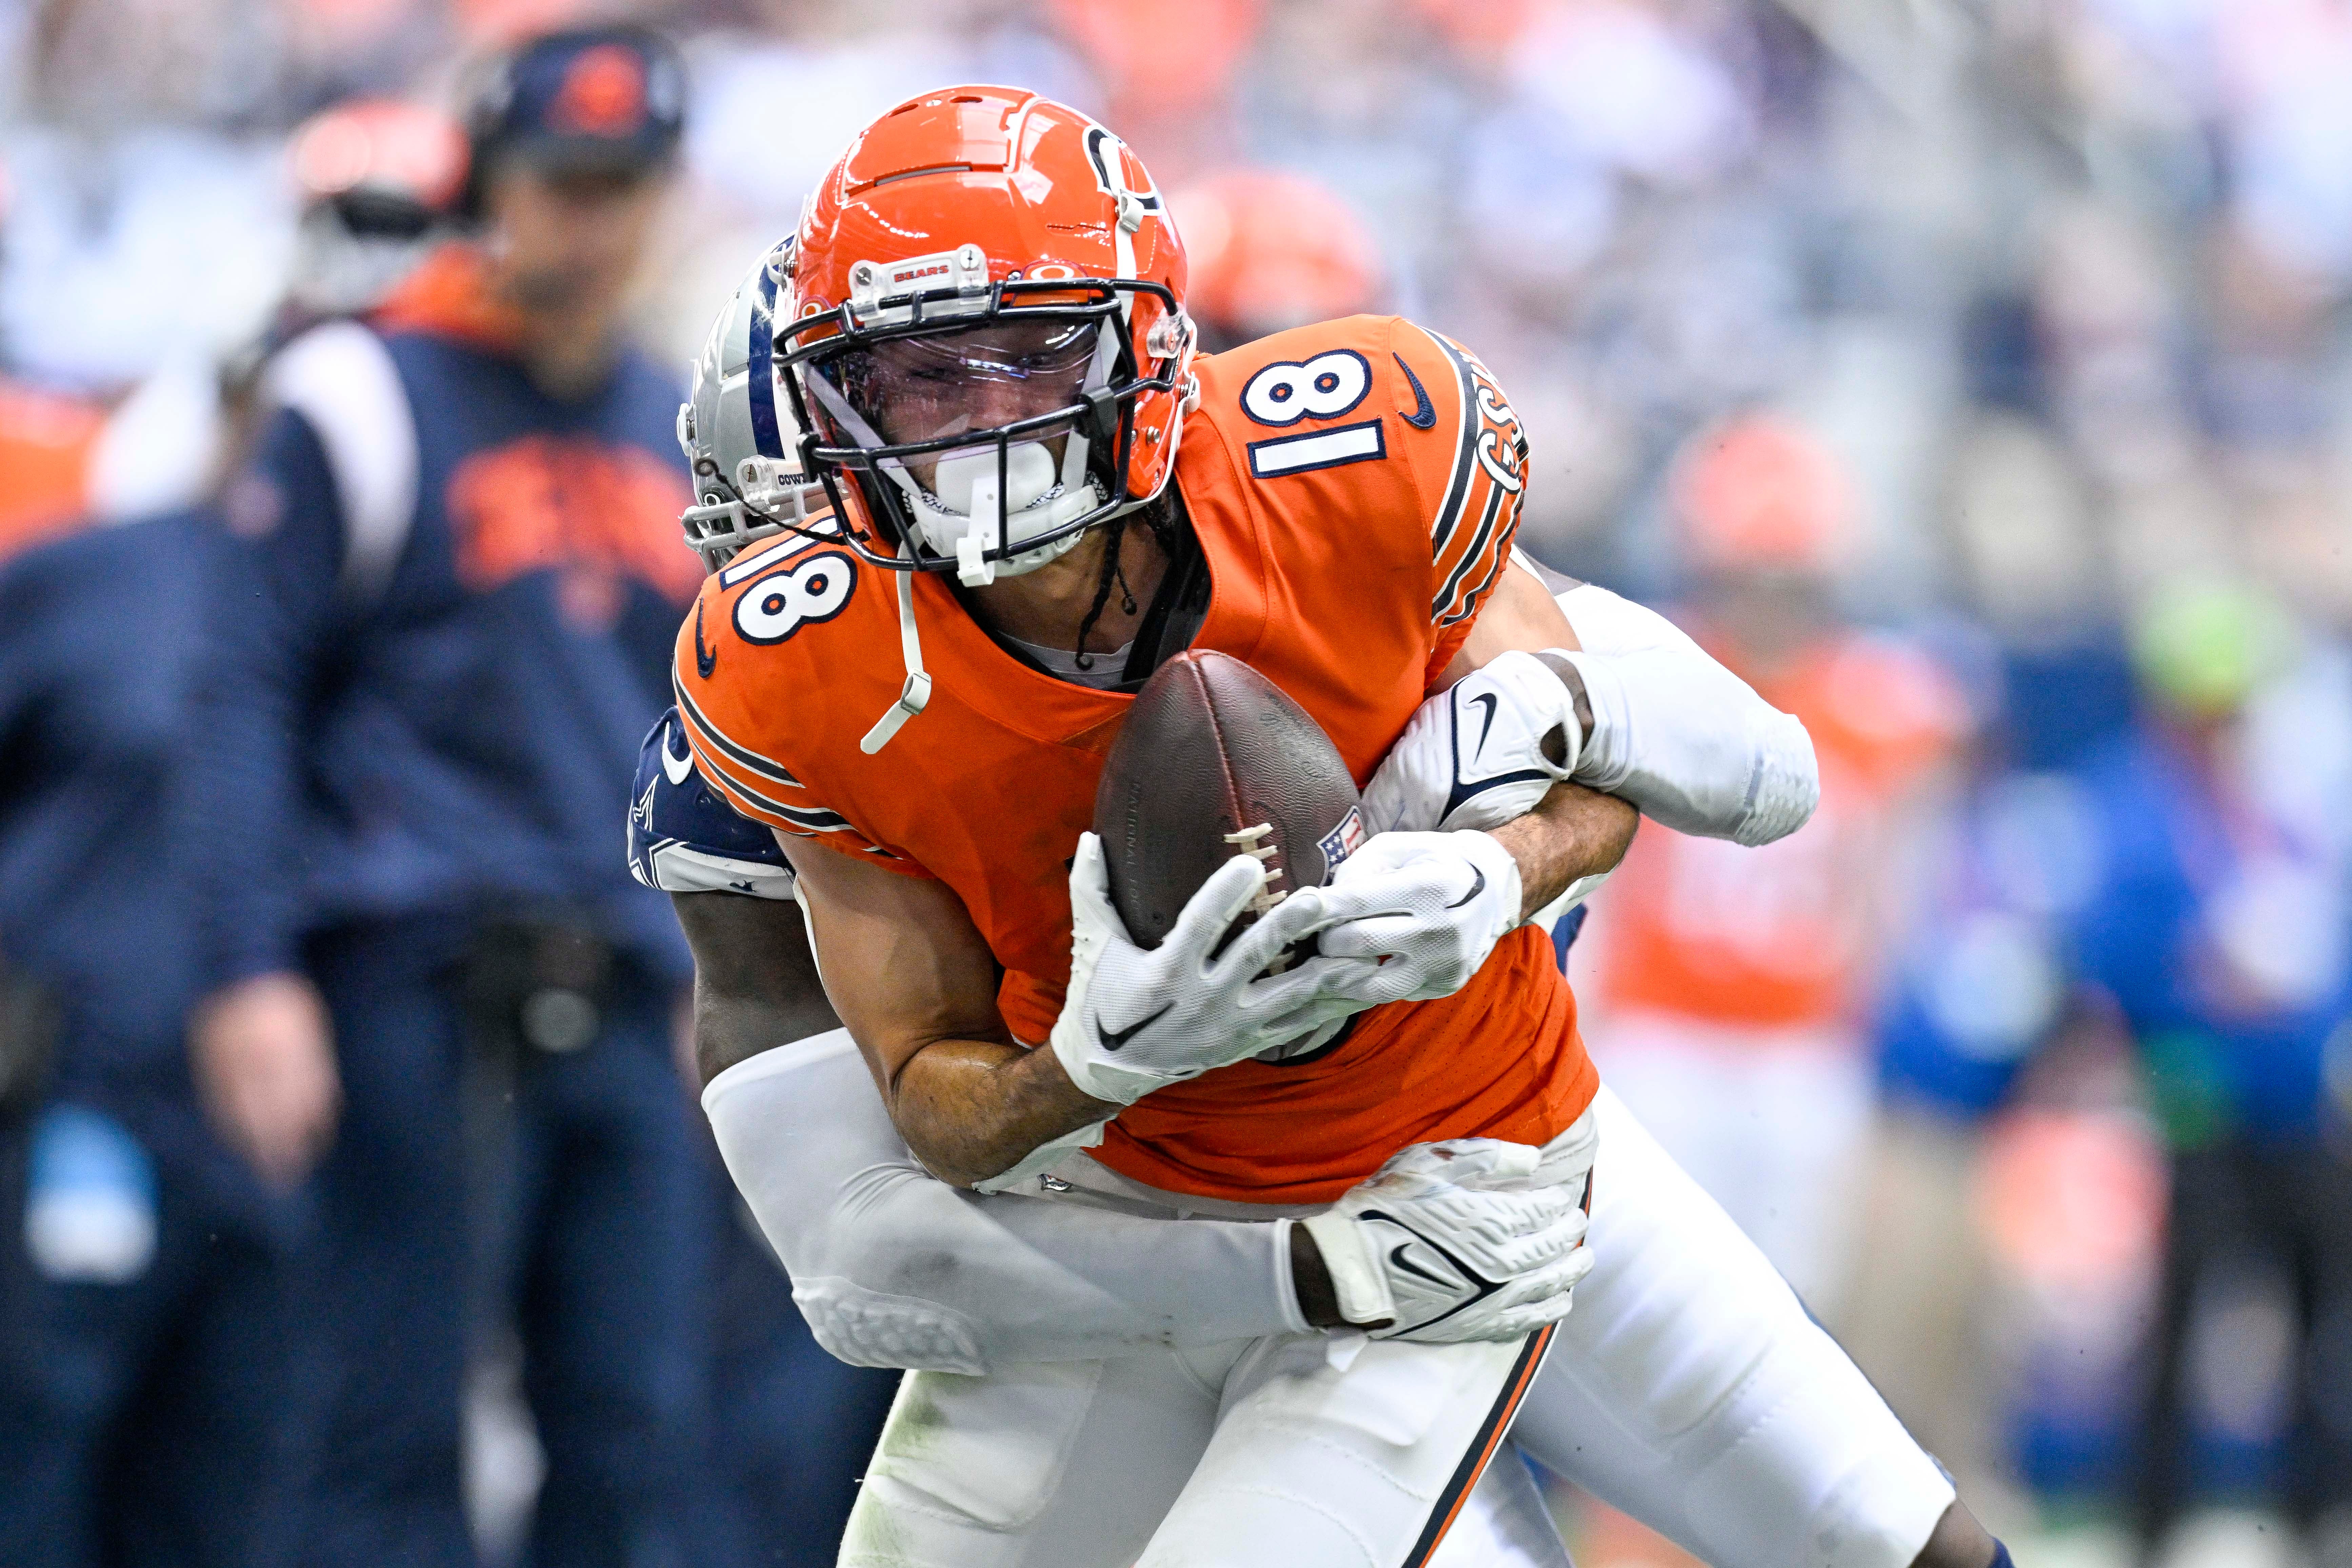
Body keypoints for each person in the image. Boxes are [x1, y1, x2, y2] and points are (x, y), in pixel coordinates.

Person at [662, 94, 2003, 1568]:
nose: (981, 426)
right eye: (916, 381)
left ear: (1156, 346)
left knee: (1898, 1541)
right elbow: (878, 1233)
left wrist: (1501, 862)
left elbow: (1693, 747)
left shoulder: (1343, 468)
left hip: (1464, 1155)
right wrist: (1093, 1068)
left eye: (1030, 356)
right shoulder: (784, 676)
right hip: (1128, 1227)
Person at [187, 26, 714, 1566]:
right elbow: (240, 695)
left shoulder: (679, 428)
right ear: (491, 184)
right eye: (565, 183)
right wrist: (244, 971)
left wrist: (721, 967)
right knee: (384, 1431)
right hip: (412, 975)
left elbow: (712, 738)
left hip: (622, 980)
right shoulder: (360, 389)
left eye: (628, 186)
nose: (595, 222)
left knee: (635, 1432)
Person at [1582, 414, 1967, 1317]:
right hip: (1660, 1027)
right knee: (1636, 1292)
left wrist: (1862, 1002)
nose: (1766, 601)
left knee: (1784, 1304)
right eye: (1749, 576)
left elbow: (1896, 874)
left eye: (1785, 578)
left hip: (1799, 1041)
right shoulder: (1650, 666)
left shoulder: (1879, 699)